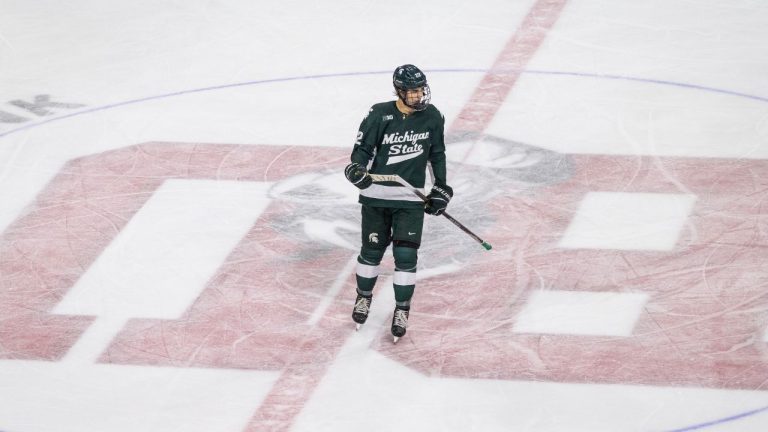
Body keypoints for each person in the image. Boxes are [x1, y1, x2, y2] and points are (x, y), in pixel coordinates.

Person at [343, 64, 453, 343]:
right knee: (371, 253)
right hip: (376, 198)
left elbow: (437, 154)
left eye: (421, 90)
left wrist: (441, 187)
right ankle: (363, 297)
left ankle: (402, 309)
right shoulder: (380, 113)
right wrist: (357, 169)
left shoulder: (433, 116)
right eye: (413, 92)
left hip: (409, 201)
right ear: (399, 91)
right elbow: (363, 150)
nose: (419, 96)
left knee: (406, 257)